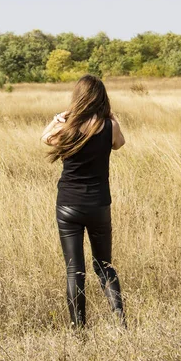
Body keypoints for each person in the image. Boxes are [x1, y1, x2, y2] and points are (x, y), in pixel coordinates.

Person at [41, 74, 127, 329]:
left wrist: (58, 119)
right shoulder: (110, 126)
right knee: (105, 266)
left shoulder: (66, 127)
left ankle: (78, 330)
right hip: (99, 205)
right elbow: (120, 144)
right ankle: (120, 323)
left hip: (68, 205)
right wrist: (111, 118)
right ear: (101, 98)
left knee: (74, 270)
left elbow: (44, 137)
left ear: (77, 98)